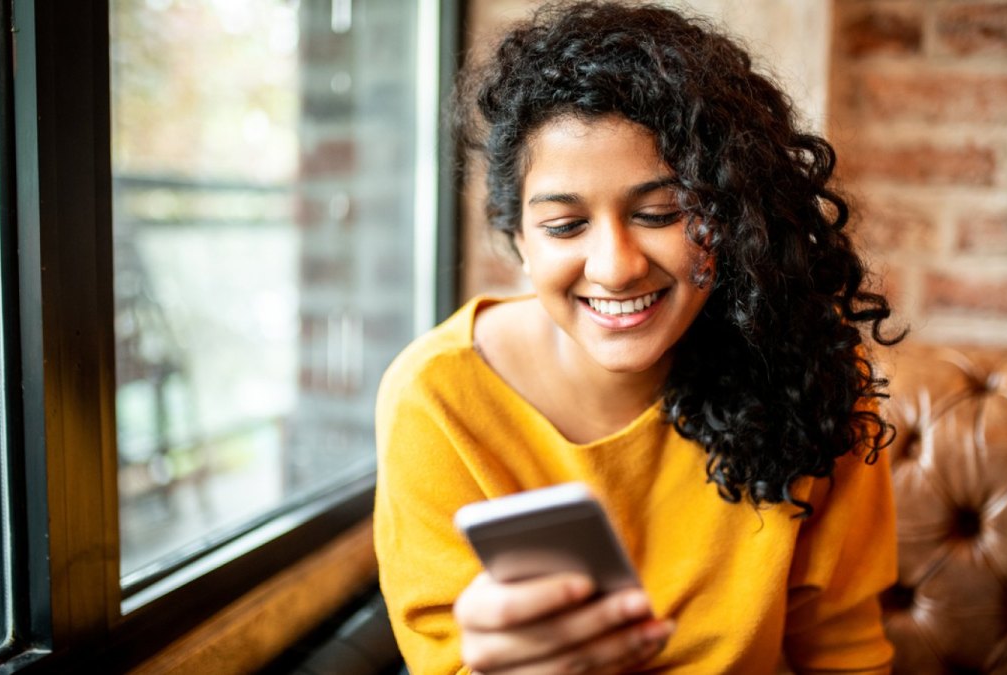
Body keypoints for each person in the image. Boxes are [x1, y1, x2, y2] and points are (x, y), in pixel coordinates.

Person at [374, 2, 904, 673]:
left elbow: (843, 651)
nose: (616, 265)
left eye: (661, 213)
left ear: (733, 216)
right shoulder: (438, 398)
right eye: (565, 226)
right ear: (518, 240)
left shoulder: (807, 365)